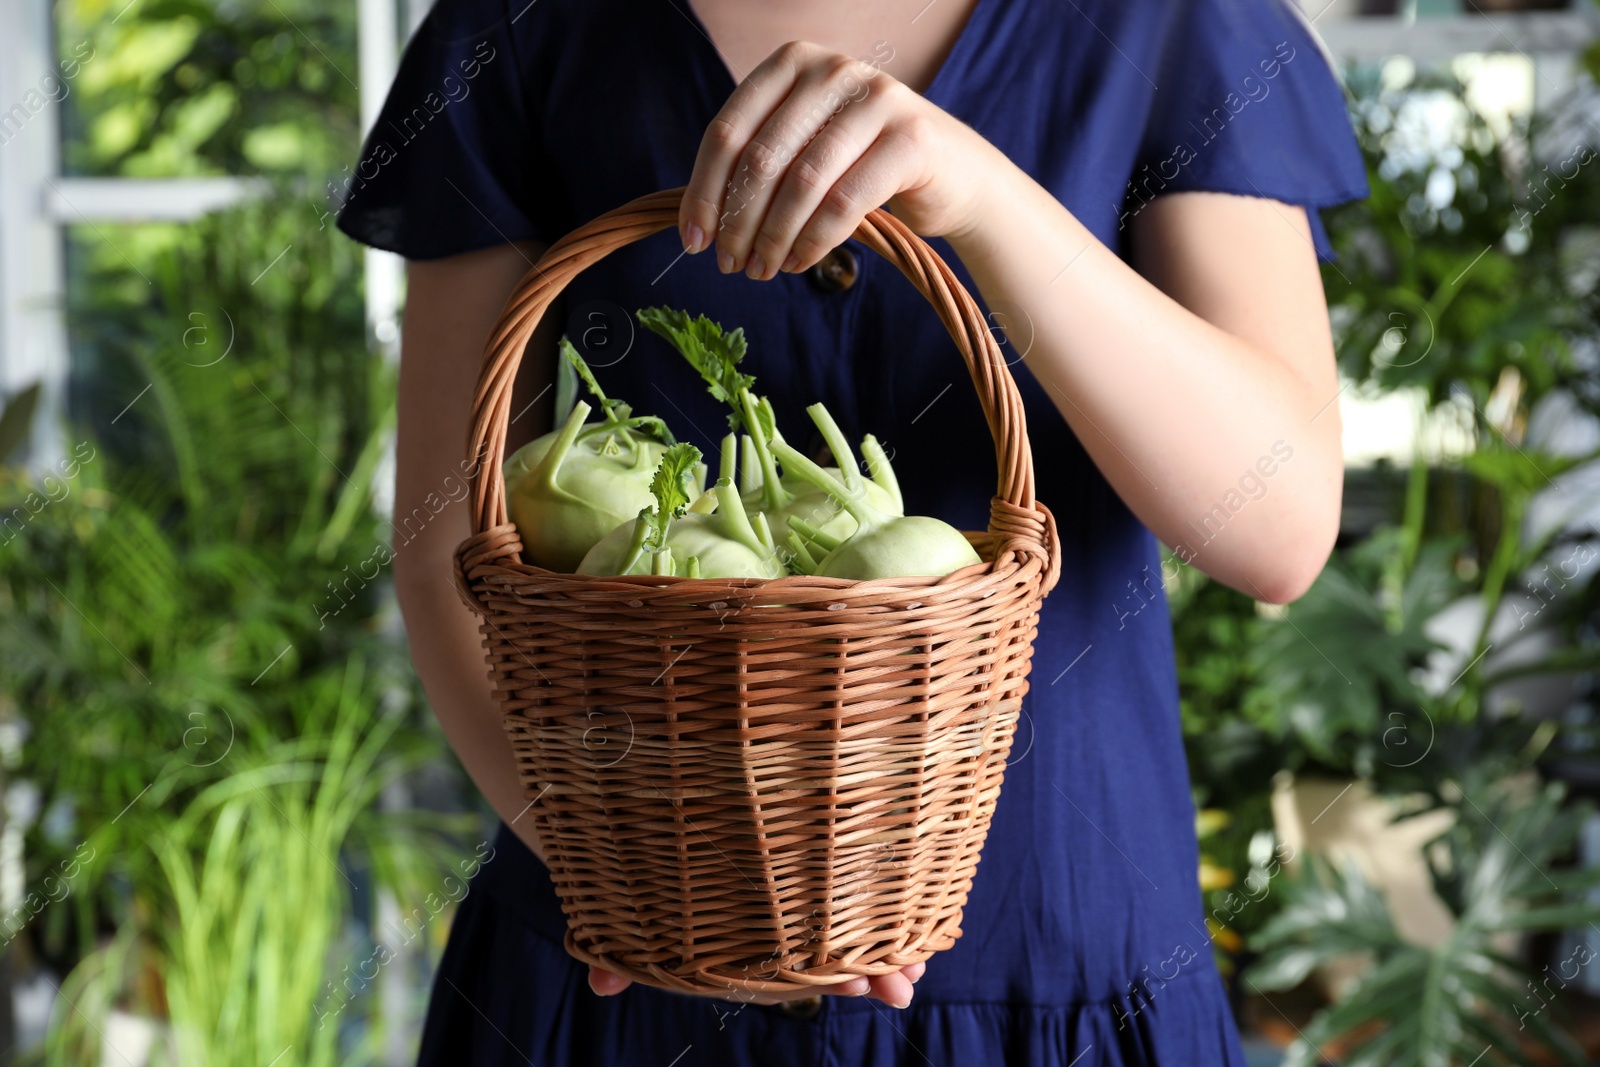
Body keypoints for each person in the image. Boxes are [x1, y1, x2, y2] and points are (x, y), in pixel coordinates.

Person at [336, 0, 1366, 1062]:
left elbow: (1276, 525)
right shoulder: (524, 24)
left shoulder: (1171, 21)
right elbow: (448, 542)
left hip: (1059, 957)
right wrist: (617, 864)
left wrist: (984, 199)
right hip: (628, 972)